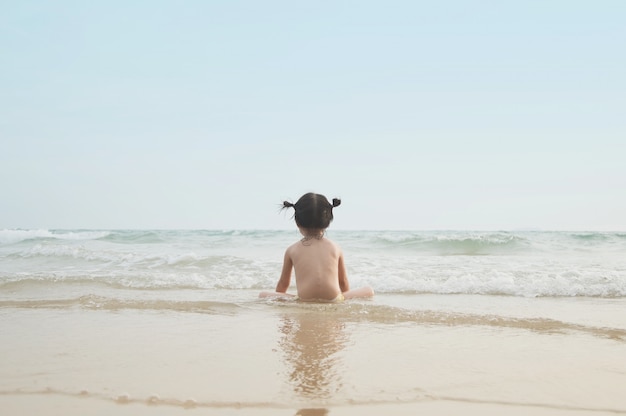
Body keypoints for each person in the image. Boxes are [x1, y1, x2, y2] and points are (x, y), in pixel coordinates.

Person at [259, 192, 374, 302]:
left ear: (297, 222)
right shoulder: (335, 247)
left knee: (262, 294)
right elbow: (343, 281)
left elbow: (284, 283)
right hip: (333, 299)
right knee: (369, 290)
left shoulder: (292, 250)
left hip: (304, 299)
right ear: (328, 222)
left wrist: (279, 298)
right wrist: (343, 298)